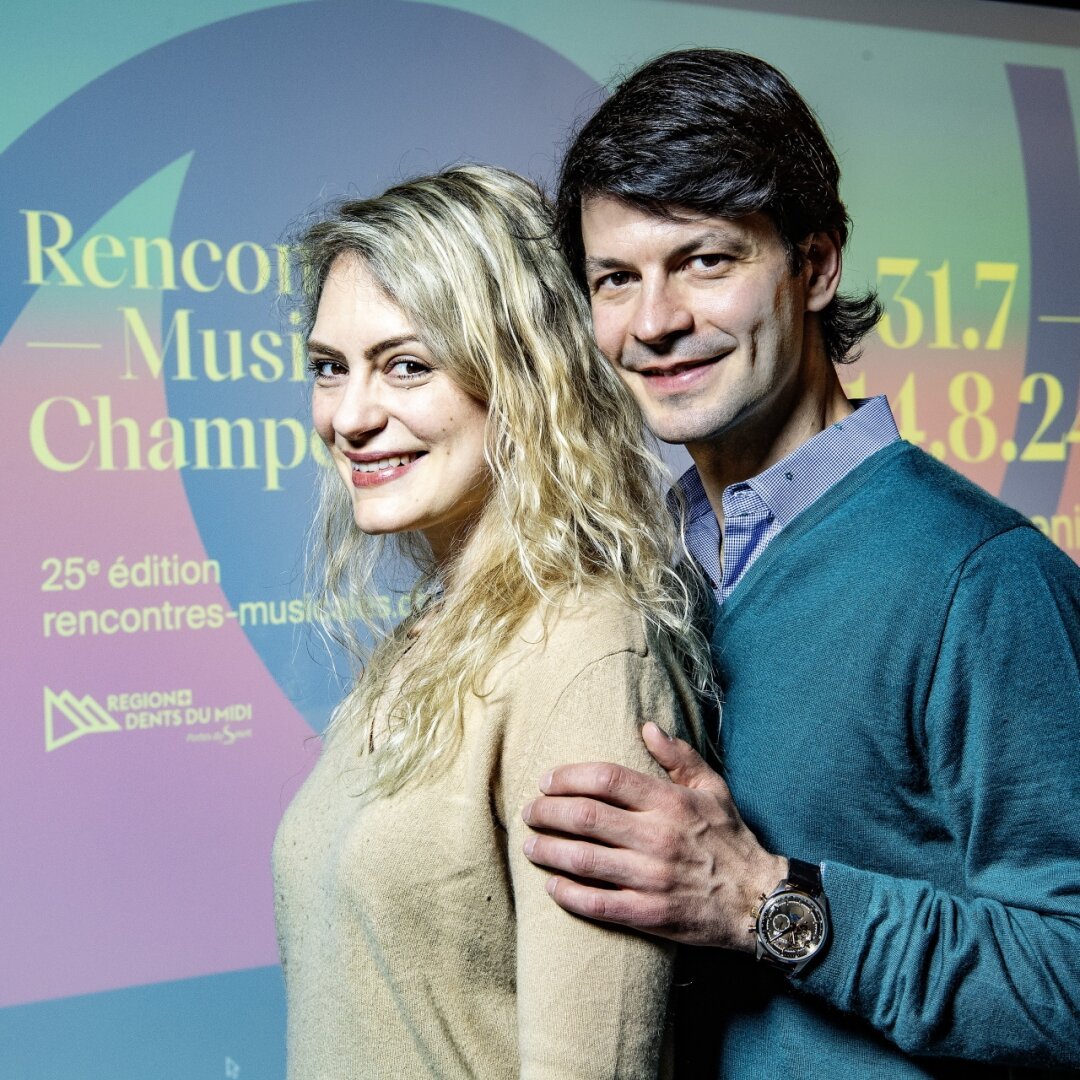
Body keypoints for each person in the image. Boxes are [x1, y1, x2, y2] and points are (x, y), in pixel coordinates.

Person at [521, 48, 1080, 1075]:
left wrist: (761, 901)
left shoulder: (984, 579)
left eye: (706, 260)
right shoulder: (638, 572)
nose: (654, 322)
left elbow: (1071, 981)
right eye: (616, 279)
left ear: (815, 266)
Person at [271, 165, 715, 1079]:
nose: (350, 417)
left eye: (406, 365)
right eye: (329, 368)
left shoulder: (588, 652)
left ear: (524, 378)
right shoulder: (429, 637)